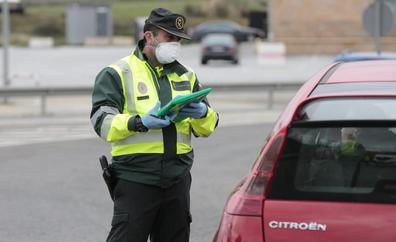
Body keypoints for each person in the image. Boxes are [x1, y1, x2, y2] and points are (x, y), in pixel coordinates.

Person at [90, 8, 219, 242]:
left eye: (179, 39)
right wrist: (138, 122)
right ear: (149, 36)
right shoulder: (117, 73)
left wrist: (202, 113)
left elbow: (207, 128)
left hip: (177, 180)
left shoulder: (186, 75)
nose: (175, 44)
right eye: (170, 38)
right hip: (135, 179)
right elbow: (102, 123)